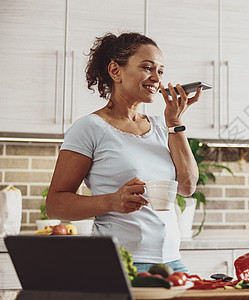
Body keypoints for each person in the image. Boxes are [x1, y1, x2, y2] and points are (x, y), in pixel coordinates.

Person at [46, 32, 201, 273]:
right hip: (118, 262)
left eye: (160, 71)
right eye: (147, 68)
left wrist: (175, 123)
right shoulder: (89, 128)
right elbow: (55, 204)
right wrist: (112, 201)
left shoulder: (164, 126)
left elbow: (187, 186)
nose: (156, 78)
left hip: (171, 262)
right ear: (115, 71)